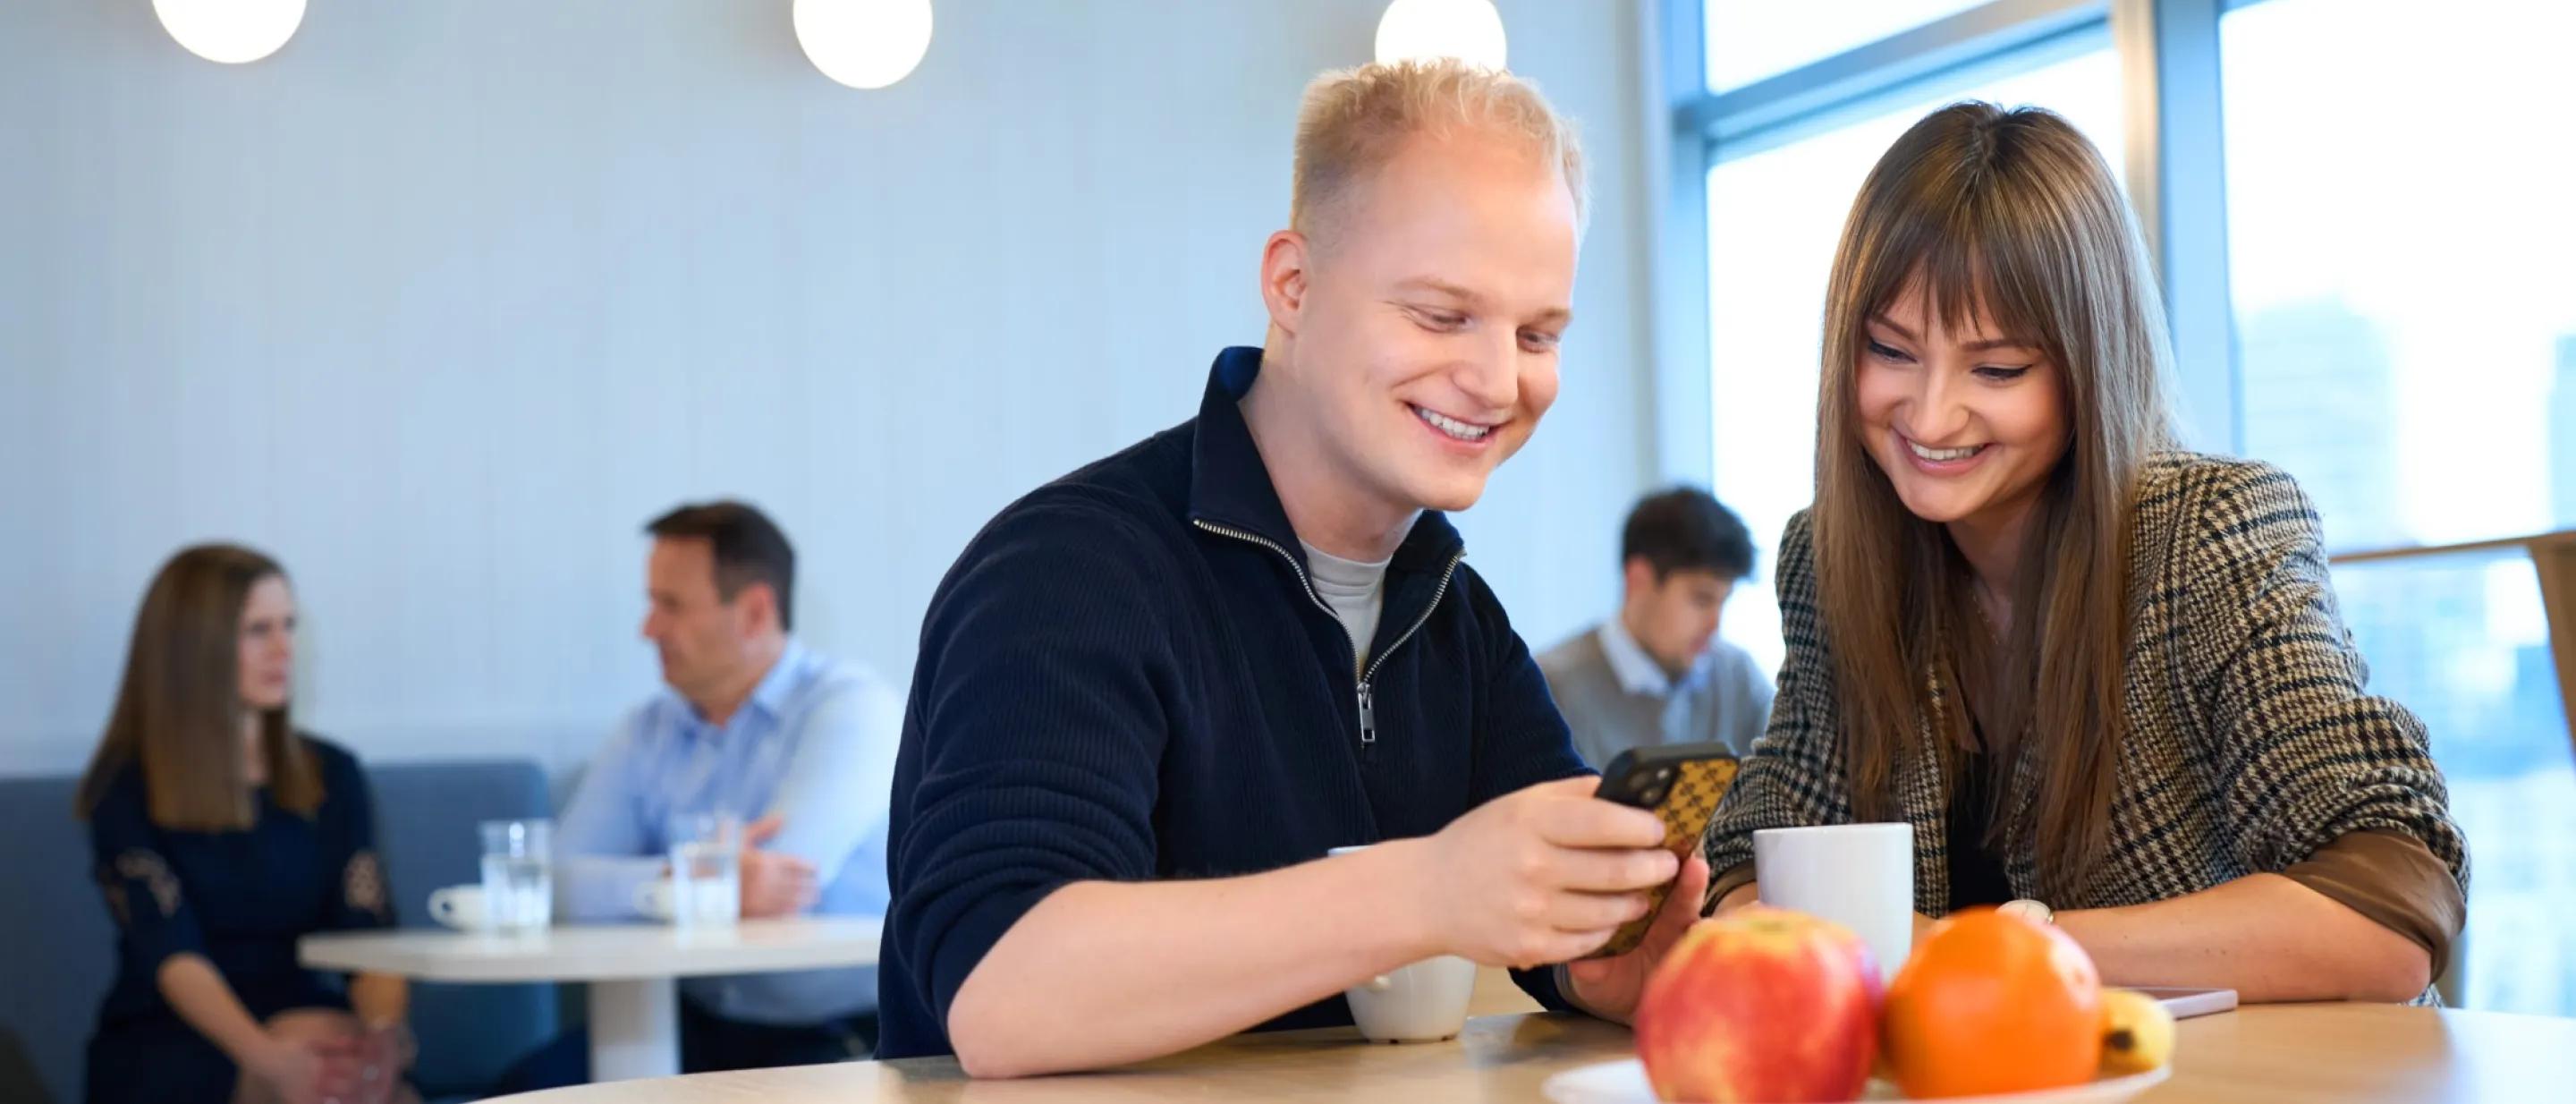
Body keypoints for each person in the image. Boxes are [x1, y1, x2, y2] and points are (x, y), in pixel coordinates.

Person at [877, 60, 1705, 1077]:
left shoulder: (1455, 613)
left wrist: (1588, 959)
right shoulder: (1065, 570)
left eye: (1538, 333)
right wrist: (1430, 891)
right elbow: (1001, 992)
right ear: (1293, 285)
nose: (1498, 379)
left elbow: (1536, 896)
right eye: (1443, 315)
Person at [1701, 102, 2467, 1004]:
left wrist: (1987, 948)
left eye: (1997, 369)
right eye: (1891, 351)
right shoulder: (1831, 561)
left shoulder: (2209, 534)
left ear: (2089, 366)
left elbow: (2387, 908)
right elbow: (1753, 869)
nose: (1932, 414)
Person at [510, 502, 903, 1085]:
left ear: (753, 611)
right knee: (520, 1093)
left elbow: (781, 879)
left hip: (838, 1036)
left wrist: (673, 883)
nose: (648, 629)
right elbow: (551, 884)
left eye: (670, 605)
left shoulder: (851, 708)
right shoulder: (648, 730)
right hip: (684, 1024)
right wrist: (680, 884)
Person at [77, 545, 419, 1104]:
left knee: (360, 1072)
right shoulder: (126, 787)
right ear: (195, 649)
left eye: (289, 625)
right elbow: (171, 953)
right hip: (176, 1035)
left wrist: (384, 1035)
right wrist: (270, 1059)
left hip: (307, 1016)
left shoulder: (331, 772)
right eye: (258, 631)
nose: (285, 649)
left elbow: (371, 936)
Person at [1538, 488, 1773, 766]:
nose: (1714, 625)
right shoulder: (1552, 689)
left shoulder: (1739, 678)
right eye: (1701, 599)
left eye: (1723, 602)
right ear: (1639, 580)